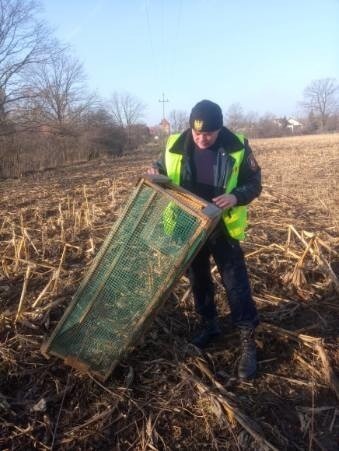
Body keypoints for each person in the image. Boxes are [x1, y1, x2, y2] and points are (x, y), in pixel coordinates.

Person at [148, 99, 261, 379]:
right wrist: (154, 175)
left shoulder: (237, 145)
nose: (201, 138)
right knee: (198, 278)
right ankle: (209, 324)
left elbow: (254, 182)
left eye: (208, 134)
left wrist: (236, 196)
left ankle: (248, 340)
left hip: (222, 226)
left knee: (235, 283)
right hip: (188, 224)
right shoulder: (174, 144)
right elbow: (159, 169)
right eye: (197, 133)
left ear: (219, 128)